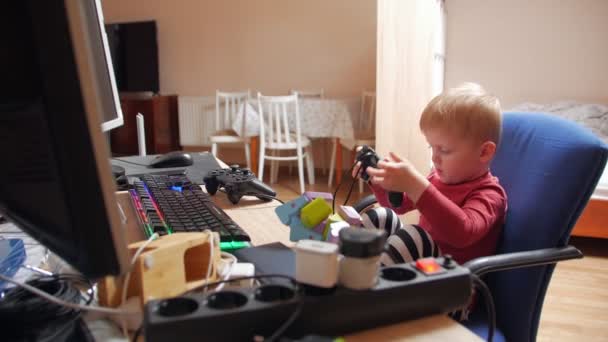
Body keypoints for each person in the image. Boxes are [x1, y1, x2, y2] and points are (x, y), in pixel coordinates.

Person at [355, 83, 507, 266]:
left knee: (413, 237)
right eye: (431, 147)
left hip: (451, 284)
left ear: (484, 152)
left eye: (444, 150)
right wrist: (379, 180)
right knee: (382, 216)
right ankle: (345, 268)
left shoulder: (490, 195)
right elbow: (398, 206)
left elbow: (463, 232)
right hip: (424, 268)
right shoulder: (437, 178)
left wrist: (416, 185)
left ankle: (368, 287)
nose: (434, 157)